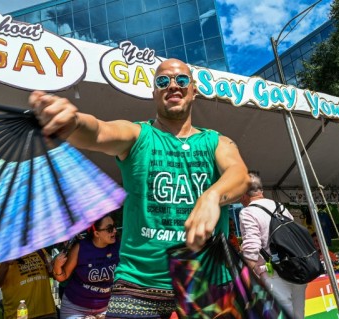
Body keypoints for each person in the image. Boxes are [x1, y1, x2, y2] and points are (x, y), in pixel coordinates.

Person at [29, 58, 250, 318]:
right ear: (154, 91)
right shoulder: (137, 135)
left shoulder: (216, 141)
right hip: (138, 283)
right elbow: (99, 131)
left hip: (207, 281)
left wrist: (212, 196)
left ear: (194, 89)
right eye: (163, 81)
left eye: (181, 80)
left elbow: (239, 175)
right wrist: (74, 122)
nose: (173, 86)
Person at [238, 172, 306, 319]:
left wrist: (242, 277)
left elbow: (251, 247)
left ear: (244, 193)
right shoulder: (280, 207)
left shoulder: (248, 212)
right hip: (296, 269)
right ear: (261, 190)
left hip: (274, 274)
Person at [53, 215, 120, 319]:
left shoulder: (118, 246)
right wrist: (57, 265)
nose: (115, 231)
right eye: (109, 229)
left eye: (114, 226)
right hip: (75, 308)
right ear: (96, 233)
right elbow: (63, 276)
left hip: (106, 307)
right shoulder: (81, 248)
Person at [0, 250, 57, 319]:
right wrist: (5, 264)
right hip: (20, 314)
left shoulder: (40, 250)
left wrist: (52, 267)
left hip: (47, 312)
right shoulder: (4, 255)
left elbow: (53, 274)